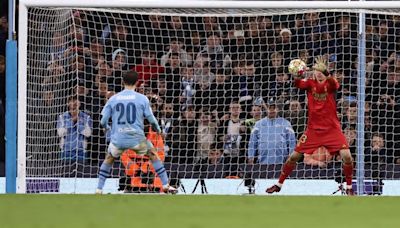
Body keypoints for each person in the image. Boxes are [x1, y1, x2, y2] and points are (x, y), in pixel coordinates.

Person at [266, 56, 355, 195]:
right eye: (316, 70)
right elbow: (298, 84)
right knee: (293, 157)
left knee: (347, 156)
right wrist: (296, 74)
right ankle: (278, 184)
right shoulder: (310, 84)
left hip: (332, 130)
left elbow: (336, 85)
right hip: (313, 131)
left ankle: (349, 188)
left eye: (321, 70)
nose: (318, 73)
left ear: (325, 71)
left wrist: (325, 72)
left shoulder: (331, 84)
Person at [96, 71, 177, 194]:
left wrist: (108, 128)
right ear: (137, 83)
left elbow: (102, 121)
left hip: (119, 138)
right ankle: (166, 185)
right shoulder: (142, 98)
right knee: (154, 155)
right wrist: (159, 130)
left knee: (109, 159)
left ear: (123, 82)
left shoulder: (113, 98)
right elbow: (151, 119)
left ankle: (99, 188)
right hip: (136, 138)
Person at [57, 96, 92, 162]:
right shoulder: (62, 117)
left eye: (76, 100)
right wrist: (72, 121)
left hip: (81, 151)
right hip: (66, 151)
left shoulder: (86, 117)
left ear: (80, 103)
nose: (74, 103)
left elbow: (88, 134)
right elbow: (60, 133)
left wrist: (78, 123)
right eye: (72, 101)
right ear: (68, 103)